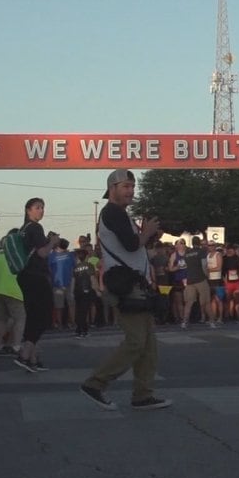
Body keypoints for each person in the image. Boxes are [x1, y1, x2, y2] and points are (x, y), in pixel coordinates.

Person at [80, 170, 171, 411]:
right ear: (112, 188)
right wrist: (148, 232)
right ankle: (95, 383)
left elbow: (132, 247)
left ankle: (143, 394)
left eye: (132, 186)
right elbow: (132, 244)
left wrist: (147, 237)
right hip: (127, 286)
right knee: (136, 342)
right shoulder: (112, 212)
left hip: (136, 284)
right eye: (126, 186)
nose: (131, 191)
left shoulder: (120, 214)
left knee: (148, 344)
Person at [15, 198, 58, 373]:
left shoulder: (22, 230)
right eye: (37, 208)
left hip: (24, 275)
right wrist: (53, 242)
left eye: (42, 208)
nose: (41, 211)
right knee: (44, 315)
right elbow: (42, 252)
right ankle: (25, 354)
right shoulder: (35, 227)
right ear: (28, 210)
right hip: (36, 275)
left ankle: (32, 358)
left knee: (33, 315)